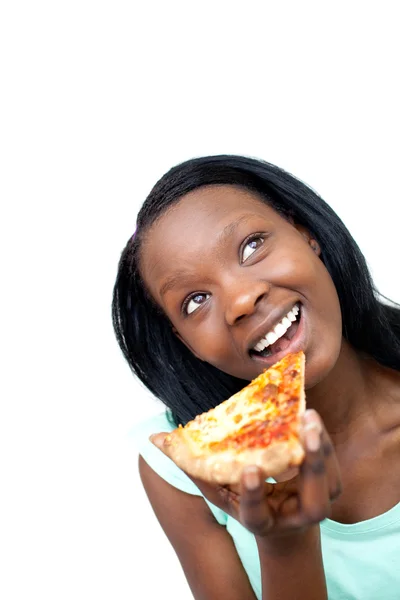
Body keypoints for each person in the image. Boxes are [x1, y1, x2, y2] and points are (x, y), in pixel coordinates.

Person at [112, 155, 400, 600]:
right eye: (195, 300)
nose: (242, 300)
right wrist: (285, 546)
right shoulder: (186, 470)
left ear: (306, 234)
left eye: (251, 246)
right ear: (183, 340)